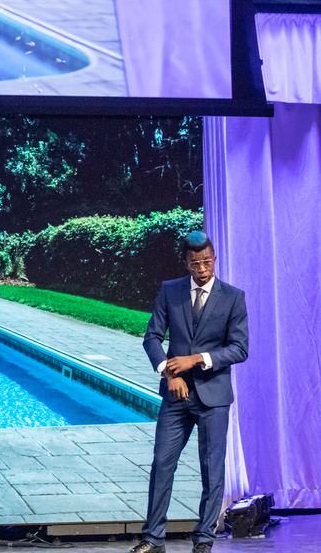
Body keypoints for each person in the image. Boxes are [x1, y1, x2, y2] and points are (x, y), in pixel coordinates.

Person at [130, 232, 248, 553]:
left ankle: (204, 539)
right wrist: (169, 372)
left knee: (212, 470)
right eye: (195, 263)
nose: (202, 268)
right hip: (176, 397)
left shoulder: (233, 297)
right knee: (161, 463)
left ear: (214, 258)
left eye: (207, 261)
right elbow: (152, 337)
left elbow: (239, 348)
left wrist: (197, 359)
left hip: (214, 397)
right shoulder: (171, 291)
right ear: (186, 262)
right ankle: (153, 538)